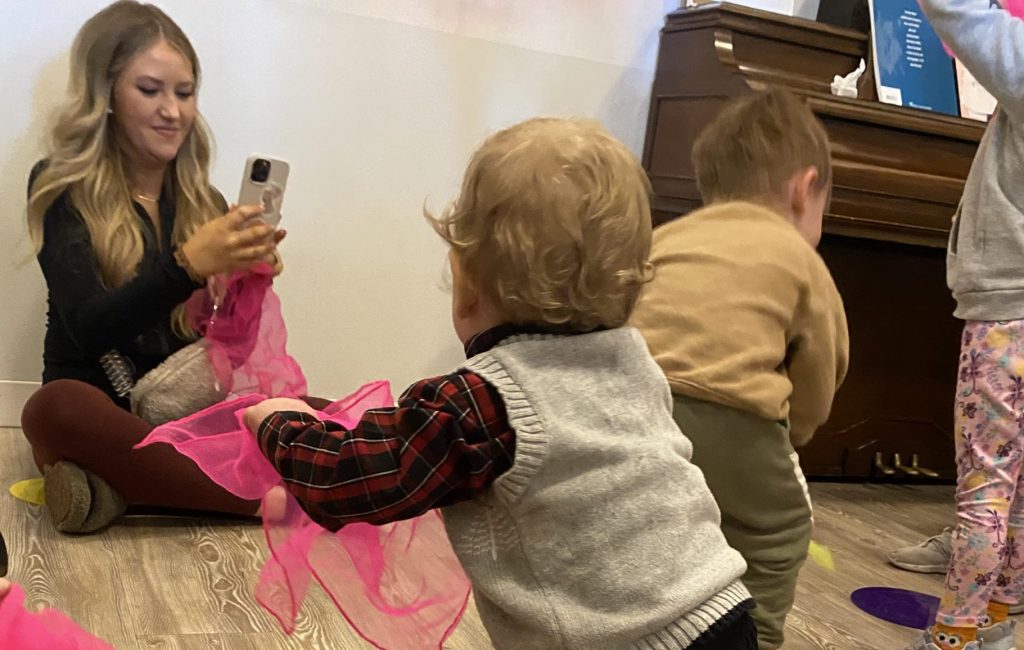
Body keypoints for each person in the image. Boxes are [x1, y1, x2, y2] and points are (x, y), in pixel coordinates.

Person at [242, 117, 758, 649]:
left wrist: (282, 424)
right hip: (725, 609)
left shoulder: (484, 402)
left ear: (467, 285)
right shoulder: (634, 361)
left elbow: (351, 480)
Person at [20, 1, 284, 535]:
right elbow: (90, 329)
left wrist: (248, 282)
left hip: (179, 414)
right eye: (150, 90)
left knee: (302, 409)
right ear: (106, 95)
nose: (173, 111)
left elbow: (224, 351)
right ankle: (249, 502)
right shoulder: (61, 185)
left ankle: (120, 490)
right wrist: (187, 266)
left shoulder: (203, 201)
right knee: (53, 409)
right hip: (96, 411)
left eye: (184, 93)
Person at [630, 89, 849, 649]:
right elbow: (821, 372)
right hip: (733, 417)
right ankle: (758, 636)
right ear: (804, 189)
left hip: (630, 404)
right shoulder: (800, 258)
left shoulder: (665, 238)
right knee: (779, 530)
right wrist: (792, 434)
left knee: (648, 521)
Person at [903, 1, 1024, 649]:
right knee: (1021, 491)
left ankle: (953, 636)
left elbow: (956, 9)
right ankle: (998, 623)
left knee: (986, 490)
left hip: (1007, 313)